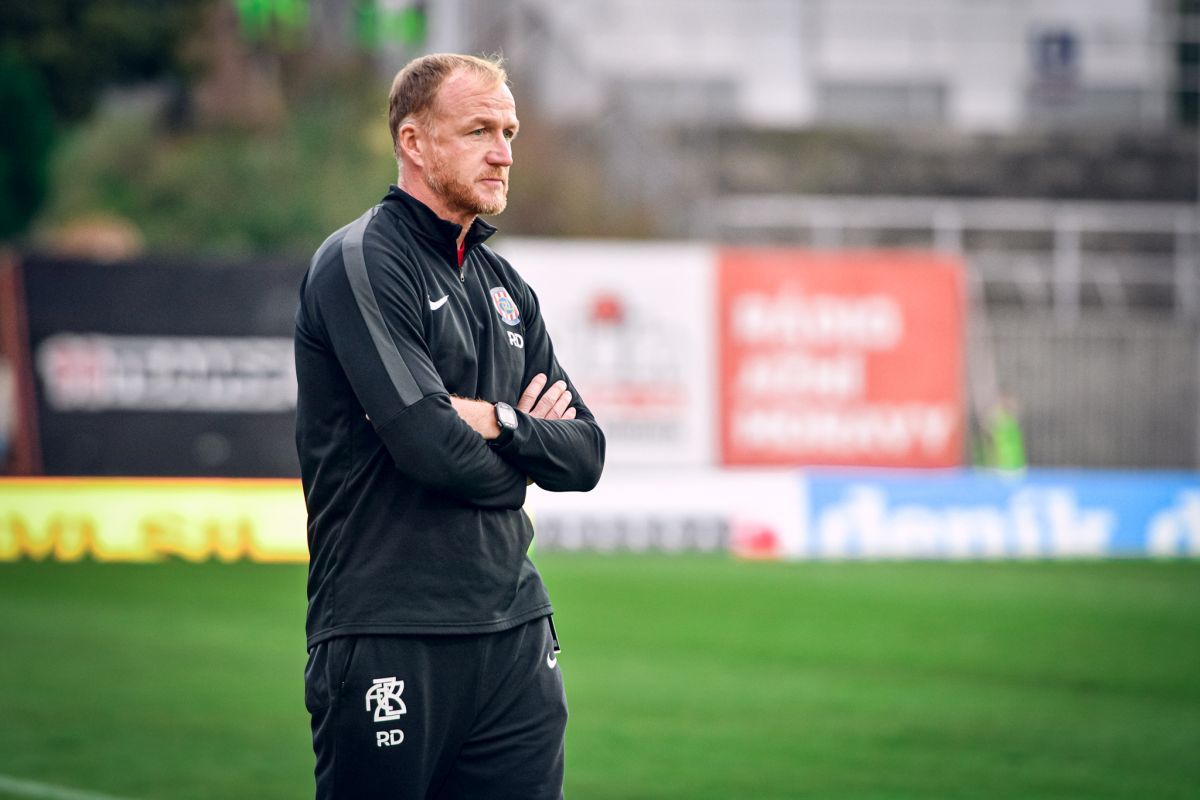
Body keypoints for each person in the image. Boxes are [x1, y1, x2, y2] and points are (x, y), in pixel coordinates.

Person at [294, 53, 605, 799]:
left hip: (515, 635)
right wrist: (523, 458)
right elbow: (429, 447)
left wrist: (495, 420)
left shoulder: (505, 285)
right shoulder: (362, 261)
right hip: (389, 629)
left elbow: (587, 454)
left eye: (509, 132)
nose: (503, 153)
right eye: (478, 131)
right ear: (414, 141)